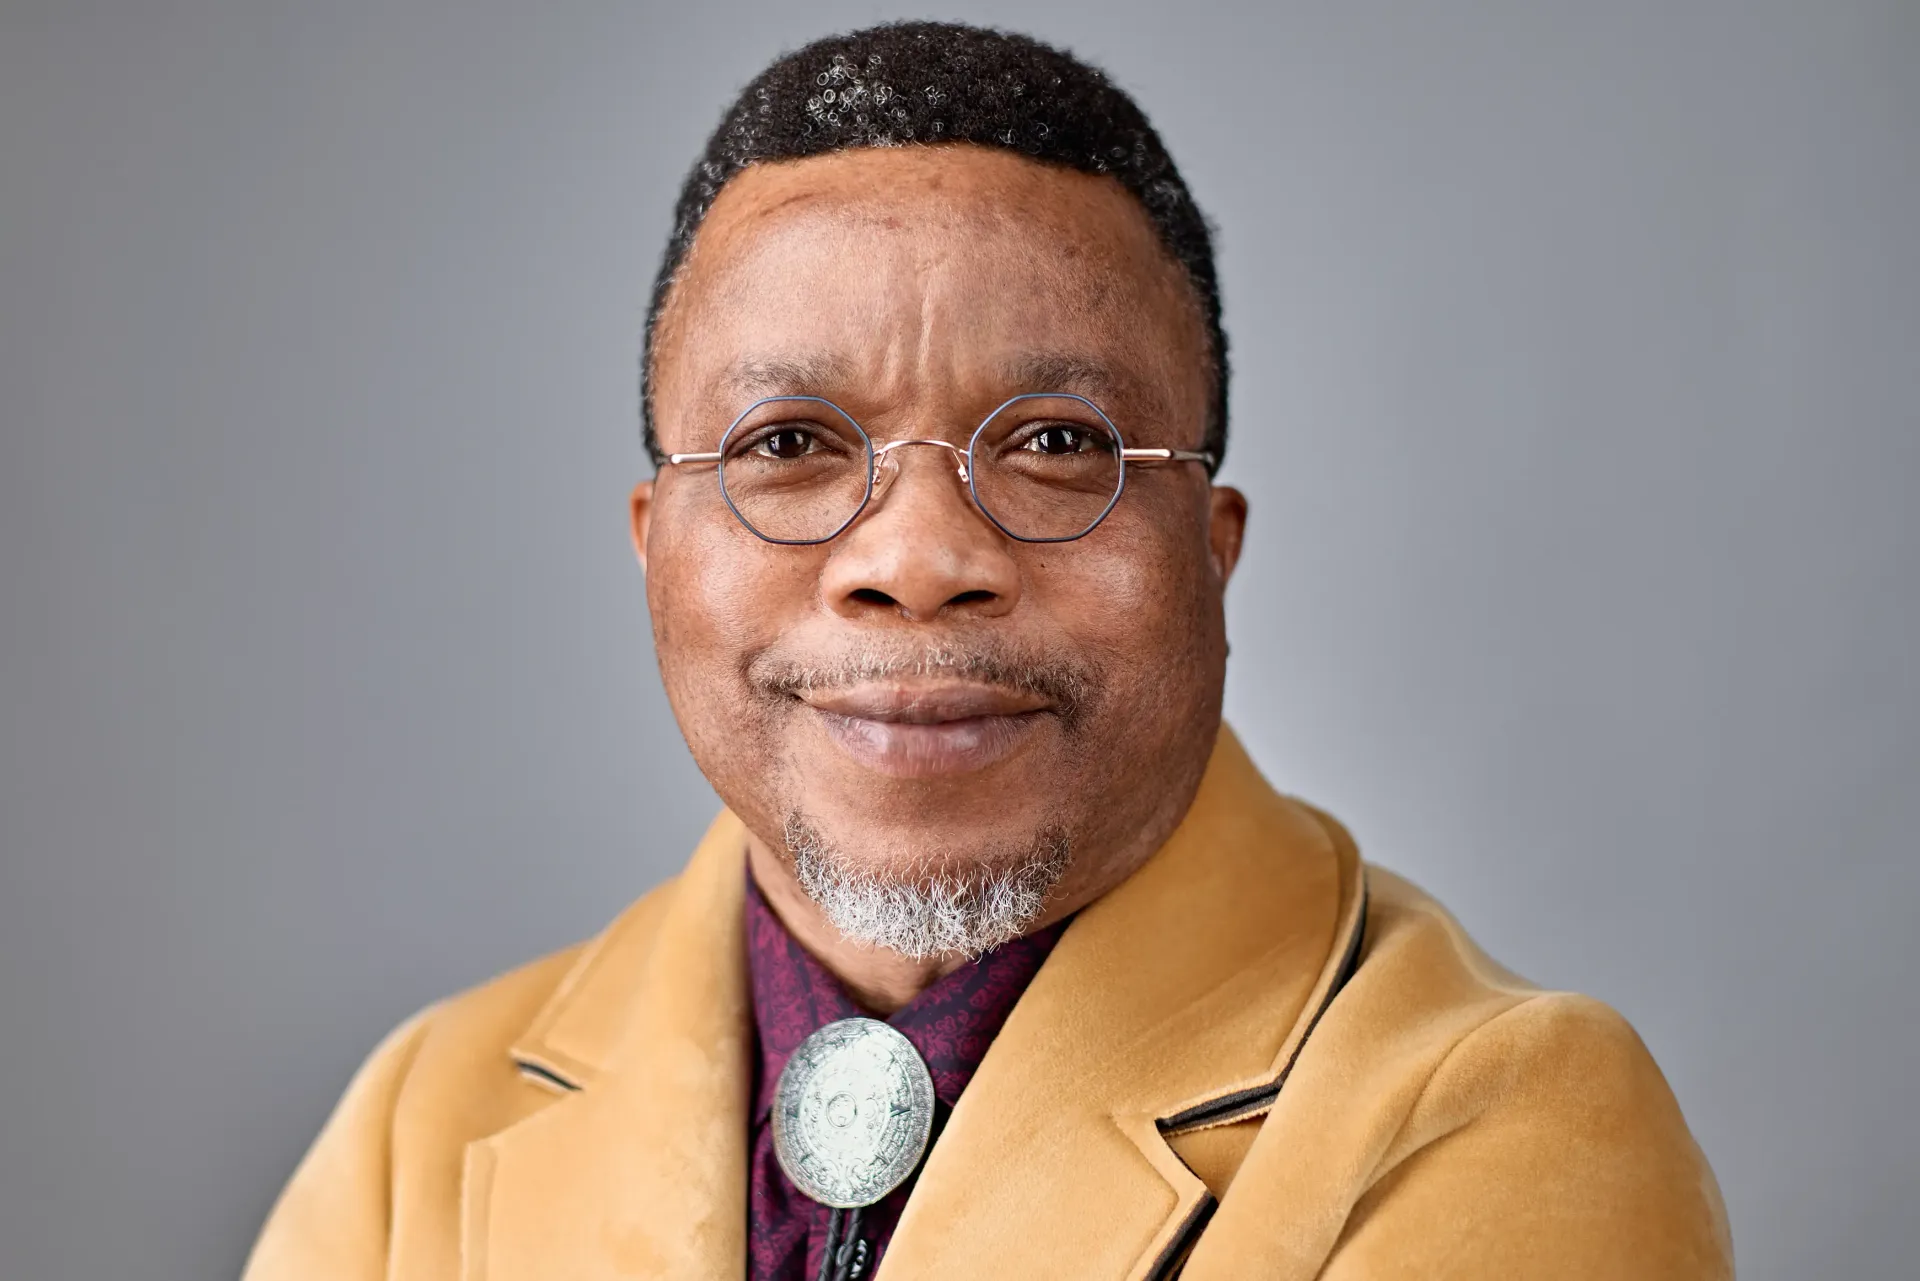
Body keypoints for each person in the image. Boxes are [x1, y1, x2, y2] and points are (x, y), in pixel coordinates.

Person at [244, 21, 1732, 1280]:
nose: (915, 561)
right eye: (789, 445)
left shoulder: (1500, 1118)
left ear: (1210, 554)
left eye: (1056, 444)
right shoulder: (420, 1129)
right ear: (652, 547)